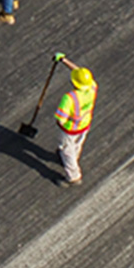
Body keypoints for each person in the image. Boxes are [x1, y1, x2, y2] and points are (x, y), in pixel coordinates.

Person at [54, 55, 96, 185]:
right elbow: (80, 73)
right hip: (84, 125)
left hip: (70, 129)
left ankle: (73, 176)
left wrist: (60, 122)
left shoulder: (69, 98)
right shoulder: (93, 87)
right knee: (77, 144)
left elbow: (61, 119)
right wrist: (64, 61)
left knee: (66, 150)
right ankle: (75, 157)